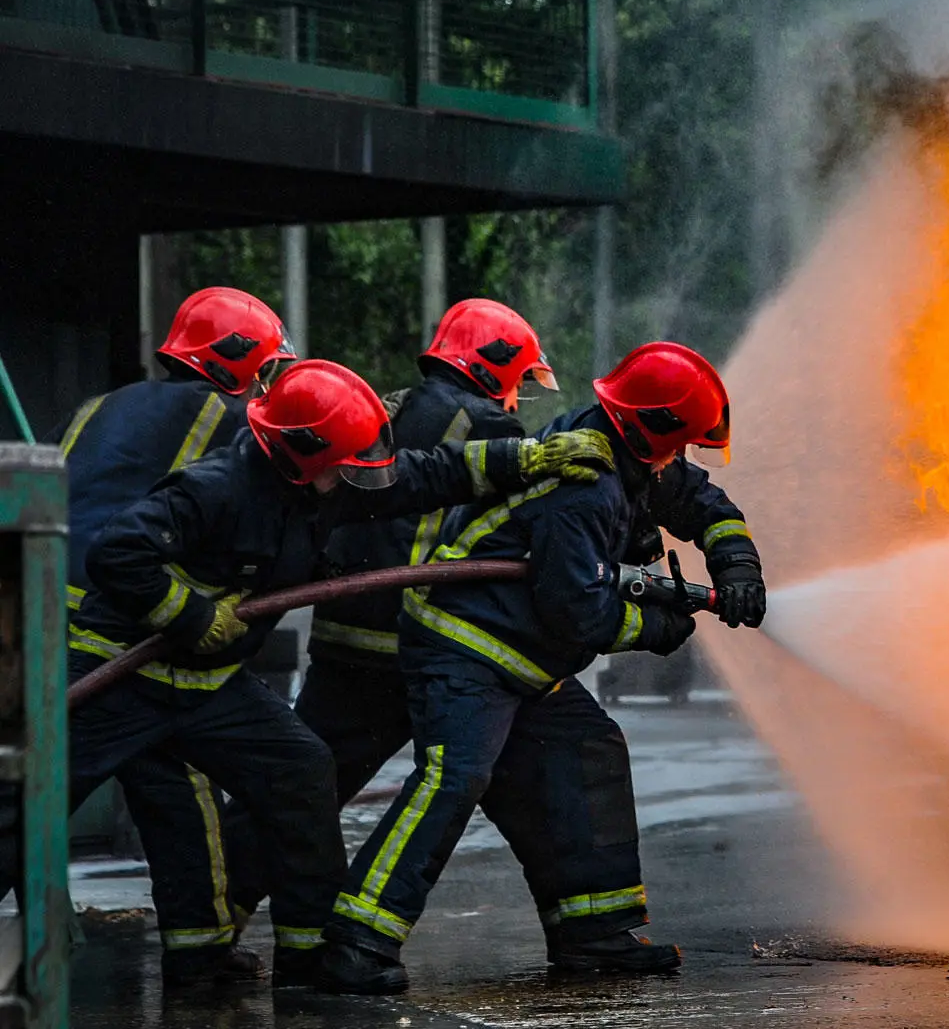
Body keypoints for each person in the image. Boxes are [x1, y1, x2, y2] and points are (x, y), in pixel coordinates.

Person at [43, 359, 616, 987]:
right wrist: (190, 615)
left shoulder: (323, 486)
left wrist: (528, 456)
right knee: (32, 803)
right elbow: (118, 552)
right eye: (345, 461)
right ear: (301, 452)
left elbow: (429, 473)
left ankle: (301, 952)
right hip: (120, 674)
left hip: (207, 686)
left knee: (301, 769)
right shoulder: (214, 487)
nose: (357, 476)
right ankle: (206, 948)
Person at [224, 299, 663, 979]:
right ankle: (579, 933)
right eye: (518, 378)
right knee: (546, 764)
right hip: (432, 642)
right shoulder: (488, 423)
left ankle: (211, 919)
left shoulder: (392, 408)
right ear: (496, 371)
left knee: (303, 788)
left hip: (351, 641)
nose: (518, 394)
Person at [319, 342, 766, 995]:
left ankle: (595, 936)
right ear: (650, 429)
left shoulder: (635, 459)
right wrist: (659, 628)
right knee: (454, 778)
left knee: (586, 750)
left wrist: (737, 565)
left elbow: (704, 504)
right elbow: (577, 613)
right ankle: (357, 942)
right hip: (466, 648)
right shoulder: (584, 484)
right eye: (681, 443)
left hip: (525, 663)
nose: (681, 457)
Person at [57, 287, 294, 985]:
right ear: (241, 360)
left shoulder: (103, 404)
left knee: (169, 774)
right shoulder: (228, 421)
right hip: (117, 630)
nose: (265, 381)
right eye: (265, 366)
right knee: (41, 796)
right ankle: (200, 949)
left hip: (48, 615)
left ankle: (201, 947)